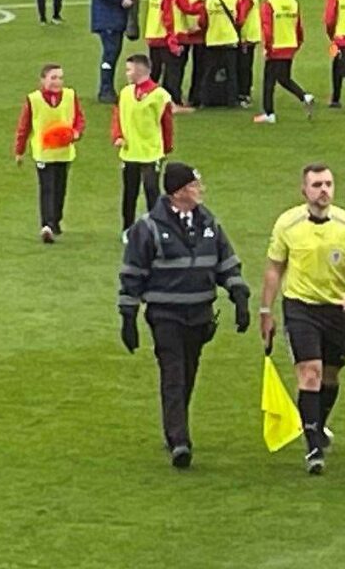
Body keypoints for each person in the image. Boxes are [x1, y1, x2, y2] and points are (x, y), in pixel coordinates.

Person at [118, 162, 250, 469]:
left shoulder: (209, 223)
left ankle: (174, 427)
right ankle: (179, 439)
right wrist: (128, 315)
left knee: (188, 371)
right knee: (173, 373)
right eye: (194, 185)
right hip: (166, 313)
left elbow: (226, 263)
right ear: (179, 192)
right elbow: (133, 274)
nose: (200, 190)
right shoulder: (148, 227)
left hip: (200, 313)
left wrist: (239, 295)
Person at [259, 164, 345, 474]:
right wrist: (265, 310)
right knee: (311, 373)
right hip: (301, 308)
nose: (324, 190)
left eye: (329, 184)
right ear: (304, 191)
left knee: (330, 376)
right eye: (317, 184)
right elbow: (274, 269)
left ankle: (316, 425)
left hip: (338, 311)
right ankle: (313, 448)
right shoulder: (288, 224)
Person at [13, 63, 85, 243]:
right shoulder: (33, 99)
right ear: (43, 80)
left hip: (64, 152)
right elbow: (24, 126)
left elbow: (79, 119)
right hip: (43, 153)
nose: (57, 82)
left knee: (60, 188)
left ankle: (56, 221)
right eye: (53, 78)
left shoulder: (70, 96)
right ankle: (47, 225)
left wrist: (76, 132)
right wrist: (19, 150)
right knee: (47, 188)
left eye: (60, 78)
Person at [112, 54, 174, 240]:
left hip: (151, 151)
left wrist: (166, 147)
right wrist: (117, 135)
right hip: (130, 151)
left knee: (151, 191)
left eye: (129, 69)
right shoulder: (125, 93)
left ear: (140, 70)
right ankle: (127, 228)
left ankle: (156, 229)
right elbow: (117, 116)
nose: (127, 73)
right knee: (129, 191)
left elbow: (167, 123)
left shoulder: (160, 96)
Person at [254, 0, 315, 124]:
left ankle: (269, 113)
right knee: (284, 78)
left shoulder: (269, 4)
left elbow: (267, 28)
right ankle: (304, 96)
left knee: (269, 81)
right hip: (290, 44)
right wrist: (298, 43)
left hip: (276, 46)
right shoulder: (294, 3)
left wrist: (267, 47)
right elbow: (299, 26)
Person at [144, 0, 186, 109]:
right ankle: (173, 101)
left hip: (152, 35)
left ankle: (146, 95)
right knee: (172, 70)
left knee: (154, 69)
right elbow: (168, 18)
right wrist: (172, 39)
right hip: (164, 37)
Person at [197, 0, 240, 108]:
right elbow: (239, 19)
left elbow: (202, 21)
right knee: (231, 73)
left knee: (209, 72)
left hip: (213, 40)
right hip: (229, 40)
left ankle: (205, 100)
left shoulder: (209, 0)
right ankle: (231, 100)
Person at [232, 0, 261, 107]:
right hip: (247, 34)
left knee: (244, 66)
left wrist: (234, 26)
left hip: (246, 36)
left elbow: (242, 16)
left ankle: (244, 94)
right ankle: (243, 91)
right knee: (243, 65)